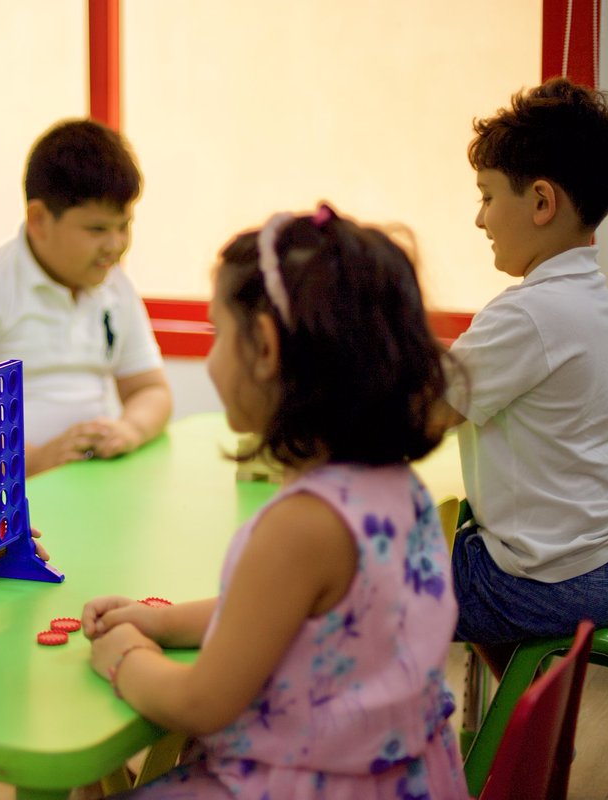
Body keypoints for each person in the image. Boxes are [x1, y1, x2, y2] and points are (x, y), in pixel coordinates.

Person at [81, 205, 467, 798]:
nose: (211, 359)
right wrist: (159, 620)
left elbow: (201, 701)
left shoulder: (303, 525)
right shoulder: (394, 485)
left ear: (263, 347)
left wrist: (124, 654)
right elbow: (273, 619)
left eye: (217, 333)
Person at [439, 78, 608, 675]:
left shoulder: (528, 314)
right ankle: (521, 734)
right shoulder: (590, 300)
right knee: (465, 534)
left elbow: (423, 412)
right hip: (604, 561)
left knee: (377, 587)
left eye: (488, 197)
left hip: (555, 581)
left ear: (542, 202)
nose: (478, 219)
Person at [0, 119, 172, 476]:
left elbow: (151, 390)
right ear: (38, 219)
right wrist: (34, 460)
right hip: (4, 498)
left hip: (93, 483)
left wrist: (130, 429)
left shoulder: (115, 287)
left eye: (124, 226)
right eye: (97, 229)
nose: (115, 246)